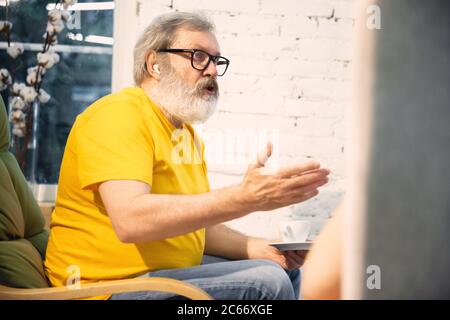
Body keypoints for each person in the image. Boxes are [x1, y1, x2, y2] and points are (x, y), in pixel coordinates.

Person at [44, 12, 330, 300]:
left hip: (161, 275)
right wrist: (245, 197)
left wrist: (258, 246)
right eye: (198, 56)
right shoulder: (118, 115)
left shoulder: (186, 136)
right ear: (154, 64)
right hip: (101, 287)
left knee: (282, 270)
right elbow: (130, 220)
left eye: (216, 60)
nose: (212, 71)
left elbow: (197, 227)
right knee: (266, 283)